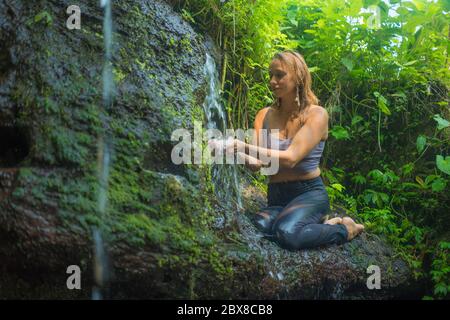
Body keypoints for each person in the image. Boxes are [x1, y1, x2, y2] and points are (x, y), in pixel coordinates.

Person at [229, 50, 364, 250]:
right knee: (256, 227)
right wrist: (231, 151)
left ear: (299, 77)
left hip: (308, 194)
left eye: (280, 75)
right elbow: (257, 164)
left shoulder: (316, 114)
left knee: (287, 233)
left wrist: (241, 145)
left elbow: (291, 158)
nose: (273, 81)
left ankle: (345, 229)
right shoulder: (263, 115)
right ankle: (317, 225)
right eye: (270, 75)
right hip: (276, 196)